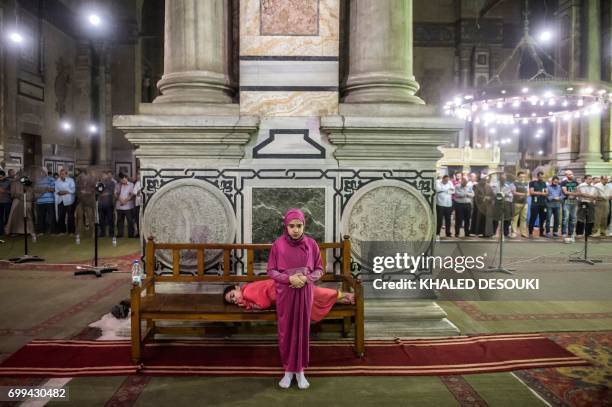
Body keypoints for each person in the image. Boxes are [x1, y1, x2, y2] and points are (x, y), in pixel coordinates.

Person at [267, 208, 324, 390]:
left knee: (301, 329)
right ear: (286, 226)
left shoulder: (312, 244)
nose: (296, 229)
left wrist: (306, 279)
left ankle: (300, 371)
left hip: (304, 291)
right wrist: (288, 279)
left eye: (299, 226)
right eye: (292, 226)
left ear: (304, 225)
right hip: (286, 293)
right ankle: (287, 370)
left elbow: (319, 269)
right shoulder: (278, 245)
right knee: (286, 330)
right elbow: (271, 271)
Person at [223, 279, 354, 321]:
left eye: (232, 295)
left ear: (237, 287)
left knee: (313, 292)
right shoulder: (246, 290)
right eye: (232, 301)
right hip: (284, 294)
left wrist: (250, 305)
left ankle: (343, 295)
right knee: (311, 298)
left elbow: (264, 304)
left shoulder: (247, 292)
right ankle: (339, 298)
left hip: (285, 289)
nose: (235, 300)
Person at [75, 169, 97, 244]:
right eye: (81, 176)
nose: (81, 177)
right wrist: (80, 194)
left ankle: (93, 232)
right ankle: (78, 233)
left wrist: (87, 192)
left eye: (83, 175)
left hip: (89, 202)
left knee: (91, 218)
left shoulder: (92, 181)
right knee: (79, 217)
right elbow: (76, 191)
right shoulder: (78, 182)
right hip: (80, 202)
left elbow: (95, 190)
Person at [34, 167, 56, 235]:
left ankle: (51, 231)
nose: (41, 173)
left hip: (50, 201)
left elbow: (53, 189)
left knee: (51, 217)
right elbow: (35, 190)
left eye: (43, 171)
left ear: (46, 172)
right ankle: (41, 231)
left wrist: (41, 189)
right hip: (39, 201)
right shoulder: (36, 180)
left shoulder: (51, 179)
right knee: (40, 217)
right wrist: (46, 189)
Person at [55, 169, 76, 235]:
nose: (61, 175)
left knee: (70, 217)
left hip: (69, 201)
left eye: (63, 174)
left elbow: (73, 190)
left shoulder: (71, 180)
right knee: (61, 216)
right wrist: (66, 191)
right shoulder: (57, 181)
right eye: (60, 174)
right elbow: (57, 191)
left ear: (66, 174)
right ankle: (62, 231)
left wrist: (65, 191)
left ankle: (71, 232)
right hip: (61, 201)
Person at [114, 173, 135, 238]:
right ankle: (120, 234)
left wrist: (125, 201)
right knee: (119, 221)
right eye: (121, 180)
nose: (122, 181)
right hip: (119, 206)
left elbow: (132, 194)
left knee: (130, 221)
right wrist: (120, 200)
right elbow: (115, 194)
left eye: (123, 180)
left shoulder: (131, 185)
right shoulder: (118, 185)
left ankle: (130, 235)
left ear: (126, 178)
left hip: (128, 206)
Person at [560, 170, 578, 243]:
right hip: (566, 201)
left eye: (572, 174)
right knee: (565, 218)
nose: (571, 175)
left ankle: (571, 234)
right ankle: (564, 234)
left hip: (574, 201)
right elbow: (565, 192)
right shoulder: (563, 183)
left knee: (573, 219)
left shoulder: (576, 182)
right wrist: (573, 193)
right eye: (570, 174)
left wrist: (572, 194)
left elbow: (578, 191)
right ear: (566, 175)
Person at [528, 171, 548, 238]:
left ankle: (541, 233)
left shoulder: (544, 183)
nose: (541, 178)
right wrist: (541, 193)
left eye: (542, 177)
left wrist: (539, 193)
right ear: (537, 176)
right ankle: (530, 233)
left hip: (543, 204)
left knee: (542, 219)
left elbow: (546, 192)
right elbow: (531, 192)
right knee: (532, 218)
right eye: (540, 176)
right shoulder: (532, 183)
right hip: (535, 204)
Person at [435, 174, 454, 241]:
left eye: (447, 180)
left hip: (448, 204)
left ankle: (448, 233)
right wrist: (447, 190)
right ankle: (437, 234)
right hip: (440, 204)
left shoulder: (450, 182)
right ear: (442, 179)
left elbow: (452, 191)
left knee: (448, 220)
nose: (446, 181)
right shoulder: (438, 182)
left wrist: (444, 190)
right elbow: (438, 190)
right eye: (445, 180)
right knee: (439, 220)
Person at [98, 171, 116, 238]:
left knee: (110, 219)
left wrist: (104, 194)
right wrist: (101, 194)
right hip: (101, 204)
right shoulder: (99, 183)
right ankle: (102, 233)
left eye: (104, 175)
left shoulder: (112, 183)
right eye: (102, 175)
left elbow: (112, 192)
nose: (103, 176)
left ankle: (111, 233)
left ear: (107, 176)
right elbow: (97, 192)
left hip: (109, 204)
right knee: (101, 219)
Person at [511, 171, 529, 238]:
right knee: (515, 218)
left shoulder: (527, 183)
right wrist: (523, 194)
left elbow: (528, 193)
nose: (522, 178)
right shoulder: (514, 183)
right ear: (518, 177)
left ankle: (523, 233)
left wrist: (526, 195)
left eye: (523, 177)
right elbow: (513, 192)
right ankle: (513, 232)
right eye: (521, 177)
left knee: (524, 218)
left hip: (525, 203)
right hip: (516, 203)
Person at [0, 170, 12, 237]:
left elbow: (12, 192)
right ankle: (1, 232)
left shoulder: (9, 181)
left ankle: (8, 231)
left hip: (7, 202)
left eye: (1, 177)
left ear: (4, 176)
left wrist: (5, 191)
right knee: (0, 218)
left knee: (8, 217)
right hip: (0, 202)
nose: (0, 178)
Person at [132, 172, 142, 237]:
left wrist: (139, 191)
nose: (138, 176)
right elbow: (135, 193)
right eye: (137, 175)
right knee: (138, 219)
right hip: (138, 204)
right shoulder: (137, 183)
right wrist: (140, 191)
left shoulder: (147, 181)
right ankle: (138, 233)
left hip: (144, 203)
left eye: (139, 175)